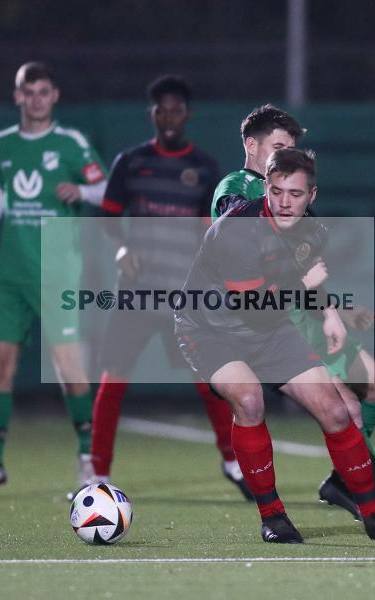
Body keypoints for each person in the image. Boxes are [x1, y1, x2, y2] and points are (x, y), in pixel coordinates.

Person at [212, 106, 375, 540]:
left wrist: (336, 311)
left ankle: (344, 482)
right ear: (252, 146)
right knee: (347, 410)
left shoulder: (290, 194)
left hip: (300, 312)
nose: (285, 158)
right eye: (278, 148)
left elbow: (303, 265)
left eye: (291, 150)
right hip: (269, 320)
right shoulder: (239, 190)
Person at [176, 148, 375, 543]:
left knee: (336, 411)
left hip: (268, 324)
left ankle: (374, 516)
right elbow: (250, 303)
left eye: (296, 194)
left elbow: (306, 275)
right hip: (209, 328)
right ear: (265, 187)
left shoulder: (313, 230)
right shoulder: (238, 230)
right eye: (277, 191)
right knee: (249, 400)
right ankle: (273, 517)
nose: (285, 202)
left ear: (312, 196)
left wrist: (331, 315)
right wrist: (301, 289)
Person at [88, 75, 251, 499]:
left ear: (187, 115)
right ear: (153, 115)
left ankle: (233, 463)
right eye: (162, 109)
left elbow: (212, 233)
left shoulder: (204, 169)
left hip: (185, 294)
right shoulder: (131, 162)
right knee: (112, 382)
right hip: (137, 293)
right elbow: (107, 220)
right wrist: (122, 249)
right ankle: (97, 476)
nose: (170, 116)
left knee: (210, 381)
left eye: (177, 109)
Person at [0, 61, 108, 494]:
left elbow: (105, 188)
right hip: (9, 275)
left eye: (44, 92)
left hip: (58, 273)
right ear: (18, 97)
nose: (37, 99)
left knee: (69, 367)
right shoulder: (2, 144)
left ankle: (88, 461)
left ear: (55, 96)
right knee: (0, 366)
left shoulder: (71, 143)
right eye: (29, 92)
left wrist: (81, 192)